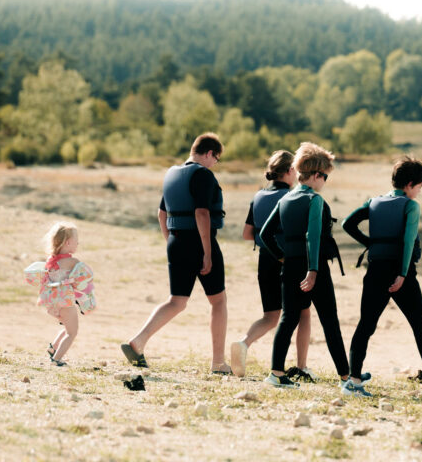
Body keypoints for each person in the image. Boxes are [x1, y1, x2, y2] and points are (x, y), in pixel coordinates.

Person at [342, 156, 422, 397]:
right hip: (400, 272)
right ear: (411, 184)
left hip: (374, 270)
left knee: (365, 325)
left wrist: (371, 244)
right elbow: (407, 242)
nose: (418, 192)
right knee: (419, 325)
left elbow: (347, 224)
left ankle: (353, 381)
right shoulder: (410, 205)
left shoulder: (374, 202)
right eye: (419, 188)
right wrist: (403, 274)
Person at [120, 133, 230, 373]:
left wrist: (170, 241)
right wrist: (207, 253)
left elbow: (161, 214)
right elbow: (202, 214)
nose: (214, 164)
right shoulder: (203, 174)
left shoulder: (172, 174)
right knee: (218, 301)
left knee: (177, 301)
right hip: (199, 241)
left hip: (176, 241)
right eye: (216, 159)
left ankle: (138, 342)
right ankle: (218, 363)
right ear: (209, 153)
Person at [258, 142, 350, 389]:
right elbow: (312, 236)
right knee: (330, 321)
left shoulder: (287, 199)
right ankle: (346, 378)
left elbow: (265, 235)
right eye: (326, 177)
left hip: (290, 266)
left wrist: (283, 257)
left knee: (288, 319)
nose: (325, 182)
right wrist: (312, 271)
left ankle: (276, 373)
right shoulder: (314, 200)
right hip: (314, 268)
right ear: (317, 175)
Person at [230, 150, 313, 379]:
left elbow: (248, 234)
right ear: (289, 171)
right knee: (303, 313)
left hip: (265, 260)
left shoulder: (258, 197)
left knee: (271, 316)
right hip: (289, 260)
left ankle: (244, 343)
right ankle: (302, 366)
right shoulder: (294, 197)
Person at [24, 222, 96, 367]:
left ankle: (53, 348)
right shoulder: (72, 261)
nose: (78, 244)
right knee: (72, 332)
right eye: (77, 241)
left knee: (68, 328)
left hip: (52, 302)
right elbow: (84, 277)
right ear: (68, 243)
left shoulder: (50, 261)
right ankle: (57, 359)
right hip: (66, 302)